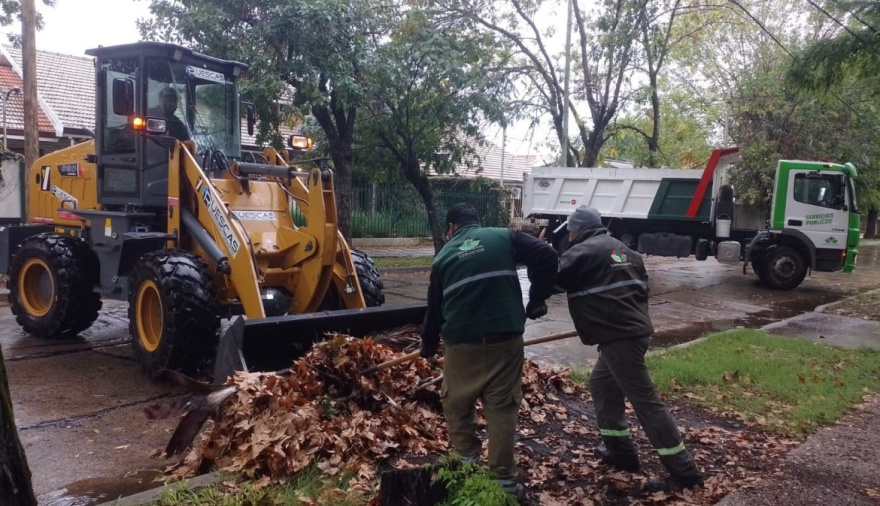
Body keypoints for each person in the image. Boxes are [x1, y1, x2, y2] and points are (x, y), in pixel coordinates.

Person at [557, 206, 704, 492]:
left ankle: (685, 473)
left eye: (570, 232)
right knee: (601, 384)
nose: (570, 236)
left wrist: (535, 302)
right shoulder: (627, 251)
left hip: (619, 337)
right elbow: (640, 289)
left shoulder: (582, 251)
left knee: (646, 402)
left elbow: (553, 277)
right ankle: (621, 453)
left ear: (575, 231)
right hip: (636, 332)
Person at [420, 203, 558, 498]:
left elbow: (434, 310)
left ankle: (467, 468)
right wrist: (536, 300)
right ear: (477, 223)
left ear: (451, 229)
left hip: (462, 346)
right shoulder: (503, 237)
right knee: (501, 408)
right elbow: (547, 254)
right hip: (505, 342)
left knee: (457, 404)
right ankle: (503, 483)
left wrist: (428, 346)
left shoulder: (443, 256)